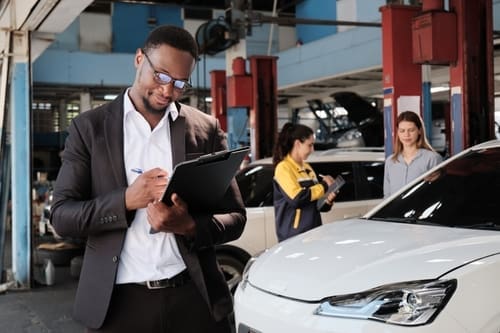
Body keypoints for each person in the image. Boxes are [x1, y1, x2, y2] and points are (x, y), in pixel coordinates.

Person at [50, 25, 246, 333]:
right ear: (139, 59)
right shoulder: (90, 129)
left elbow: (236, 218)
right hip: (120, 307)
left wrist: (190, 226)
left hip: (195, 298)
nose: (168, 90)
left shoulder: (204, 129)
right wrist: (126, 200)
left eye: (180, 83)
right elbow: (62, 216)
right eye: (161, 76)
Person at [272, 123, 337, 242]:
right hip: (293, 236)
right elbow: (297, 198)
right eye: (310, 145)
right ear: (297, 144)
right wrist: (324, 185)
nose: (313, 150)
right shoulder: (283, 168)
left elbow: (316, 203)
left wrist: (327, 200)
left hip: (313, 232)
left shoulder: (307, 167)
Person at [384, 110, 443, 197]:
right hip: (398, 210)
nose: (406, 135)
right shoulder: (391, 161)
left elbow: (438, 192)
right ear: (398, 133)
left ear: (419, 131)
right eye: (402, 131)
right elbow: (387, 195)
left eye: (411, 130)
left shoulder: (432, 158)